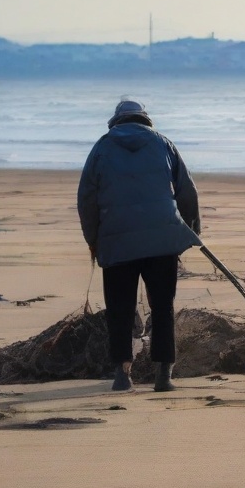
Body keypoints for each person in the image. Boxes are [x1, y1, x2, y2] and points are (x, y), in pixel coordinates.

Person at [77, 99, 201, 392]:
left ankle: (122, 375)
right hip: (162, 241)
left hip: (117, 240)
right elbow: (187, 191)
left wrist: (93, 239)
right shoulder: (163, 144)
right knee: (162, 307)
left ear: (116, 121)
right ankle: (163, 376)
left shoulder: (102, 147)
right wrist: (192, 231)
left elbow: (86, 198)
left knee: (119, 308)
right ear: (145, 119)